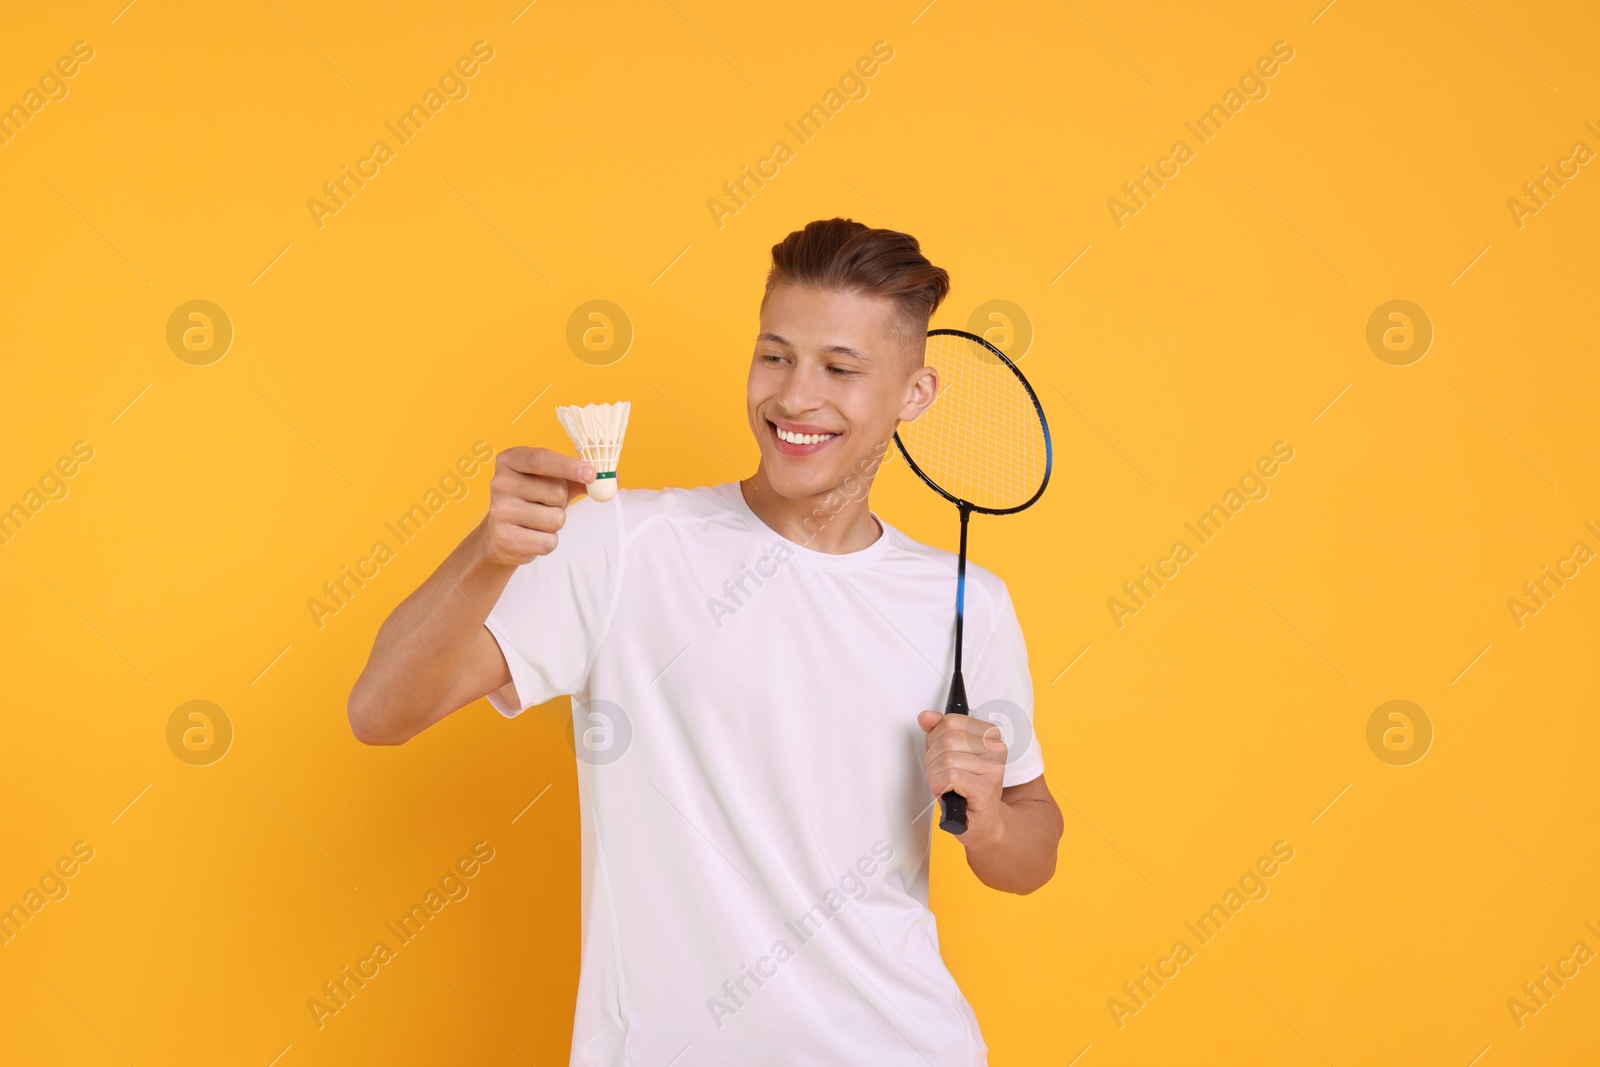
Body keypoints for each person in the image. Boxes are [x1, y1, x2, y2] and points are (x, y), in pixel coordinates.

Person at [348, 218, 1063, 1065]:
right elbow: (380, 711)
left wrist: (984, 817)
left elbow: (1031, 847)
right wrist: (487, 553)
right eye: (774, 355)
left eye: (840, 368)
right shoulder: (622, 546)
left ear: (915, 394)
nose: (796, 397)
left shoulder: (965, 602)